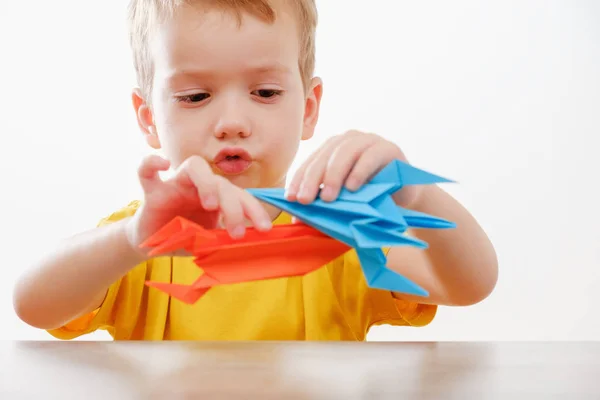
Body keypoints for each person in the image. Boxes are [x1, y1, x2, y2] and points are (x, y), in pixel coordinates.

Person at [12, 0, 498, 341]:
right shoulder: (143, 238)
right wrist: (130, 239)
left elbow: (469, 285)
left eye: (265, 93)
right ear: (149, 118)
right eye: (195, 96)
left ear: (308, 109)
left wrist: (410, 194)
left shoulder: (340, 233)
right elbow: (32, 306)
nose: (232, 123)